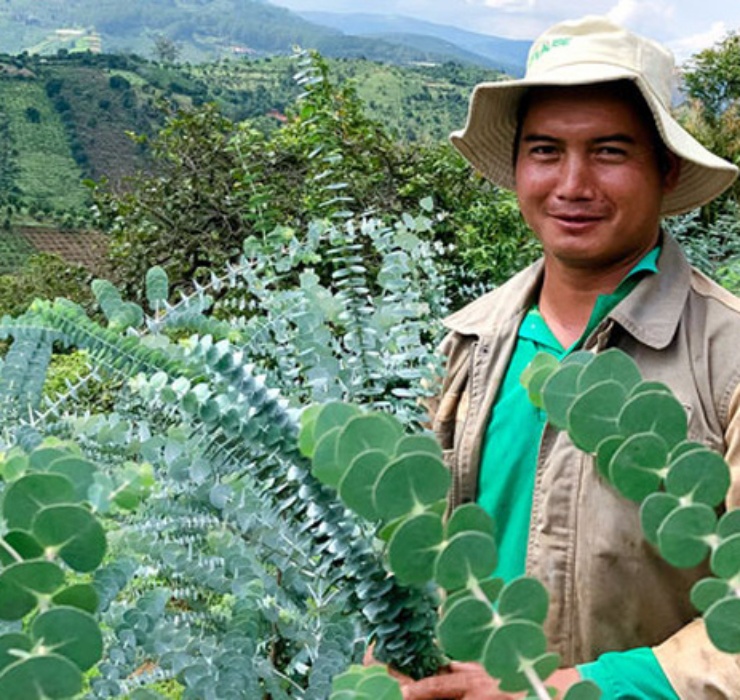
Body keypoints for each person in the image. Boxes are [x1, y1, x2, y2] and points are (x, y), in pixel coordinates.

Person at [405, 15, 740, 700]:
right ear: (519, 166)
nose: (573, 183)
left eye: (610, 152)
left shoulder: (727, 358)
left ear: (666, 169)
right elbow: (418, 551)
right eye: (546, 151)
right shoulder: (465, 345)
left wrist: (563, 690)